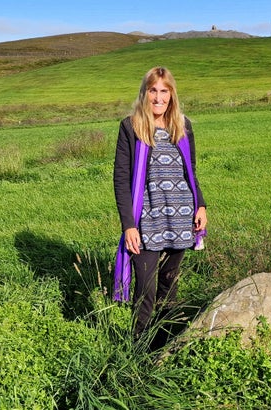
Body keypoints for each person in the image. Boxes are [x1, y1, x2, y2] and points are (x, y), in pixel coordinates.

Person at [113, 67, 207, 339]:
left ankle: (165, 344)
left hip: (181, 218)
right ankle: (139, 352)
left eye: (164, 91)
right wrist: (129, 225)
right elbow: (121, 179)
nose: (158, 97)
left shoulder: (183, 125)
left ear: (172, 94)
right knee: (145, 292)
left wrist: (201, 205)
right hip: (146, 221)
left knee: (169, 285)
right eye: (153, 90)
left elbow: (191, 171)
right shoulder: (131, 127)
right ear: (144, 93)